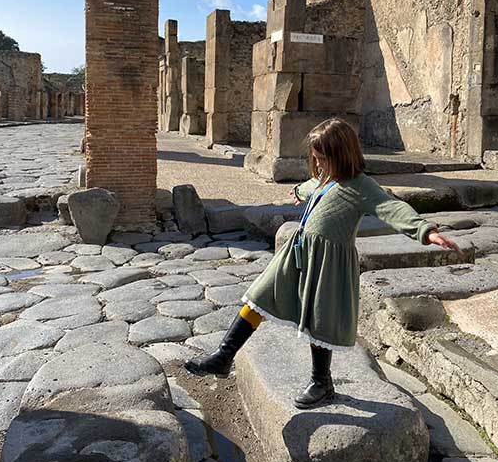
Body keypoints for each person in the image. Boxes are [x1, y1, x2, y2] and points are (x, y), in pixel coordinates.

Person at [185, 118, 462, 409]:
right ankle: (223, 356)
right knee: (259, 296)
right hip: (298, 251)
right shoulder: (324, 178)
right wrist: (297, 192)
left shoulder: (361, 186)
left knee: (319, 321)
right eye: (314, 158)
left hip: (329, 262)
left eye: (322, 158)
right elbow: (311, 185)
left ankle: (322, 382)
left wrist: (425, 231)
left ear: (341, 154)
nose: (317, 164)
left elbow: (391, 207)